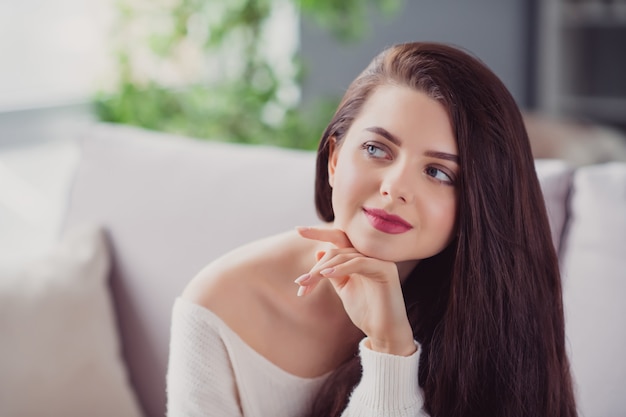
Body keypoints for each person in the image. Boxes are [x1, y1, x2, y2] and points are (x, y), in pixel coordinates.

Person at [166, 42, 578, 417]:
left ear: (478, 205)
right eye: (376, 149)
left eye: (437, 172)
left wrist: (390, 348)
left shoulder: (495, 317)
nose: (395, 187)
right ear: (334, 159)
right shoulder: (217, 307)